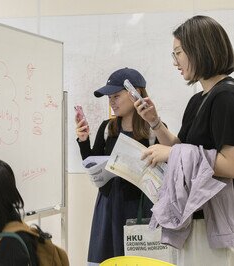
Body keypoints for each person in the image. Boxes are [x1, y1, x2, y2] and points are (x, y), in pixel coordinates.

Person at [134, 15, 234, 265]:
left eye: (178, 53)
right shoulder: (198, 99)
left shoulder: (226, 97)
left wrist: (171, 154)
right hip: (195, 219)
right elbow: (183, 151)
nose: (175, 62)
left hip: (216, 224)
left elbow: (231, 165)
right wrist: (154, 122)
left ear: (199, 49)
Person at [75, 67, 158, 264]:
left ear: (135, 94)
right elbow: (92, 162)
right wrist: (83, 140)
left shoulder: (153, 131)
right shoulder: (107, 128)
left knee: (139, 259)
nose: (111, 101)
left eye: (116, 96)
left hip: (140, 207)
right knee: (106, 258)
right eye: (109, 97)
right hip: (109, 205)